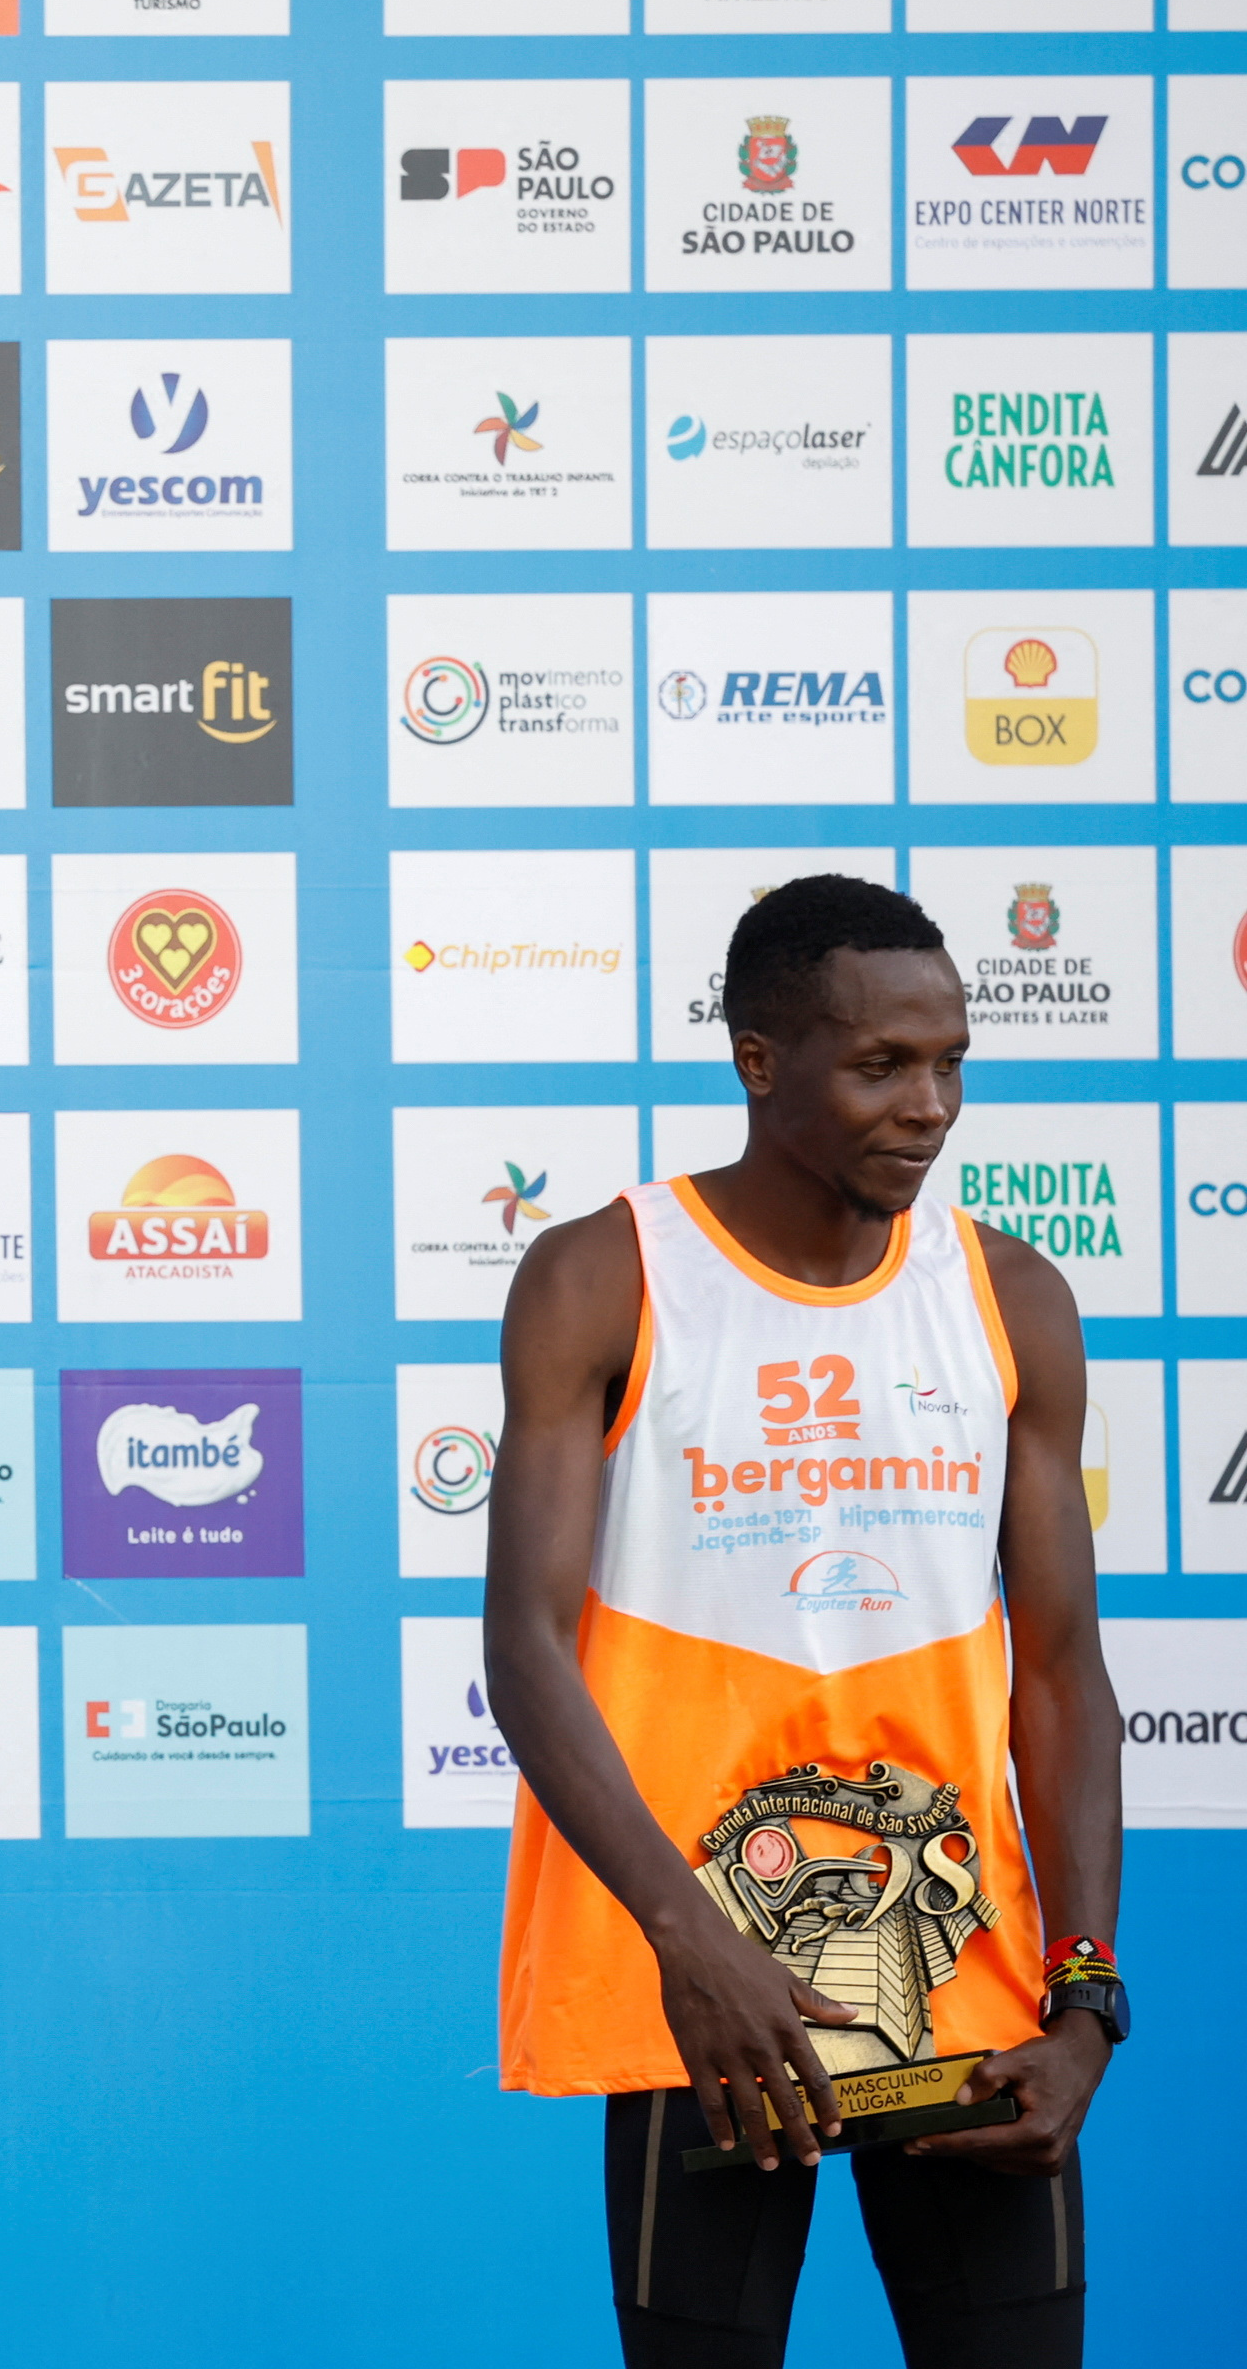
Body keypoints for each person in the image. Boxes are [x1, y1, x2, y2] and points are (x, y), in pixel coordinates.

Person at [488, 875, 1122, 2369]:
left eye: (951, 1062)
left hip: (960, 1972)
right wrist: (687, 1939)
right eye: (883, 1065)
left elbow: (1062, 1676)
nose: (931, 1105)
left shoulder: (1010, 1296)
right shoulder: (605, 1275)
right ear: (759, 1060)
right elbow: (525, 1652)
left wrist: (1088, 1994)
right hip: (703, 1984)